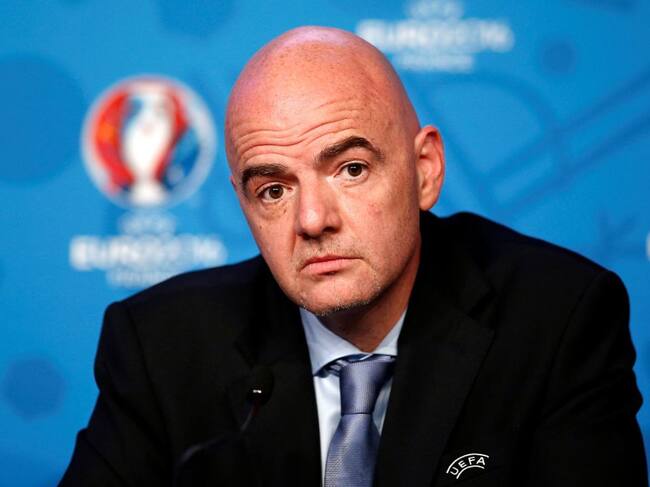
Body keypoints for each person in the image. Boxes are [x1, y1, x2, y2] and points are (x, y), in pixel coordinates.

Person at [60, 26, 647, 486]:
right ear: (244, 205)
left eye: (351, 169)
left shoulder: (556, 319)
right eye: (274, 190)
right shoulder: (161, 345)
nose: (313, 220)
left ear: (424, 171)